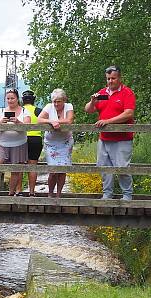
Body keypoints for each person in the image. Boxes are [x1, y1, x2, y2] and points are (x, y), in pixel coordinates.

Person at [84, 65, 136, 200]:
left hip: (122, 138)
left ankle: (127, 194)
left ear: (119, 78)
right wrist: (92, 102)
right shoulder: (103, 93)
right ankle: (107, 194)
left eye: (113, 78)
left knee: (122, 167)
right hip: (104, 138)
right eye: (108, 79)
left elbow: (128, 113)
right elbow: (88, 110)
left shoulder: (127, 93)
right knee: (104, 167)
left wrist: (108, 121)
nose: (110, 81)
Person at [0, 89, 31, 197]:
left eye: (12, 98)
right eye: (8, 98)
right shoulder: (0, 111)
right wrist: (1, 123)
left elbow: (28, 126)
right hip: (2, 143)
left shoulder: (25, 111)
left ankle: (11, 193)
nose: (10, 100)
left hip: (19, 143)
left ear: (17, 99)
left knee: (16, 169)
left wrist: (18, 122)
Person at [38, 88, 75, 197]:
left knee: (62, 170)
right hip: (51, 143)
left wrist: (57, 122)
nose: (56, 103)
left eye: (59, 101)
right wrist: (51, 121)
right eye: (54, 101)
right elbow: (40, 119)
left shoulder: (69, 106)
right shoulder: (49, 107)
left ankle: (59, 194)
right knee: (53, 170)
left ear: (64, 100)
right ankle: (50, 194)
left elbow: (69, 120)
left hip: (65, 142)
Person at [22, 90, 43, 195]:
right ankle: (31, 191)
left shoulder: (20, 110)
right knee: (33, 166)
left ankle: (18, 191)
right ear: (33, 100)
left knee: (19, 166)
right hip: (35, 138)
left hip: (21, 138)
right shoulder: (39, 110)